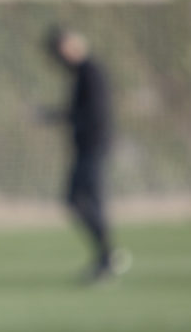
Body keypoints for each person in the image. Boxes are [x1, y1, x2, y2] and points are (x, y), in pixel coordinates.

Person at [43, 26, 128, 282]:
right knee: (83, 200)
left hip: (94, 147)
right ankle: (107, 256)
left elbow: (94, 113)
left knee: (81, 199)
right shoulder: (81, 73)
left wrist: (59, 117)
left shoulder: (91, 72)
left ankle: (109, 255)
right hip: (87, 147)